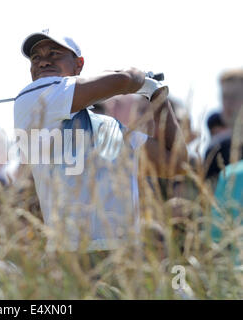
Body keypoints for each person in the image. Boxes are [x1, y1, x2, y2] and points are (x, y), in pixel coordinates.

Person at [14, 29, 188, 253]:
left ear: (78, 65)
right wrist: (138, 78)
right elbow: (123, 80)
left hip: (123, 257)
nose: (44, 62)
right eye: (36, 57)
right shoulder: (31, 99)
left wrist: (157, 95)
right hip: (70, 258)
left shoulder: (111, 127)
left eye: (55, 53)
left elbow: (176, 165)